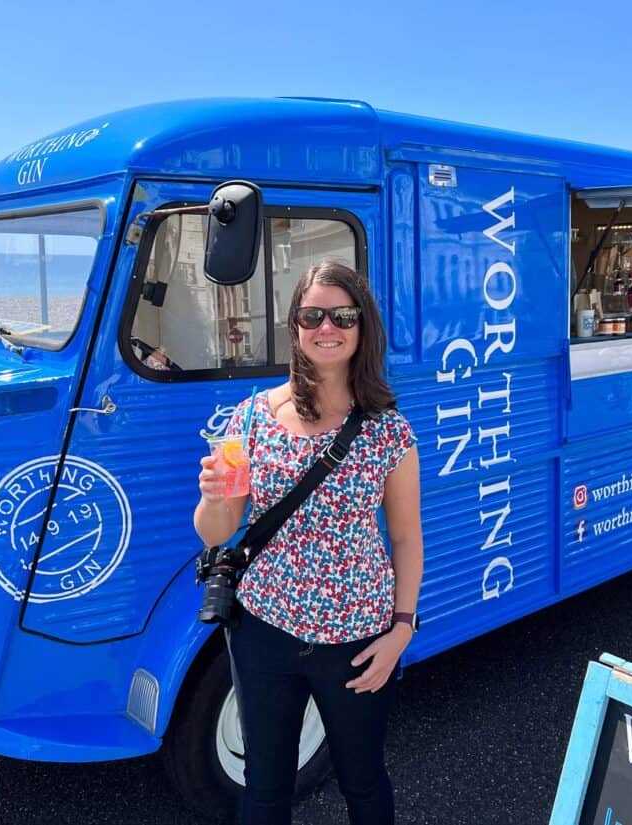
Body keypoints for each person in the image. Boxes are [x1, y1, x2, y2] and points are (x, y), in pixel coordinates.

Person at [194, 261, 423, 825]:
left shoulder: (386, 428)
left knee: (363, 781)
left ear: (362, 326)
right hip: (263, 631)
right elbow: (217, 532)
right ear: (294, 326)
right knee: (265, 787)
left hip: (358, 638)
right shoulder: (251, 417)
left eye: (342, 315)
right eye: (312, 314)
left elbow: (406, 536)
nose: (327, 326)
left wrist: (401, 629)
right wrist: (213, 497)